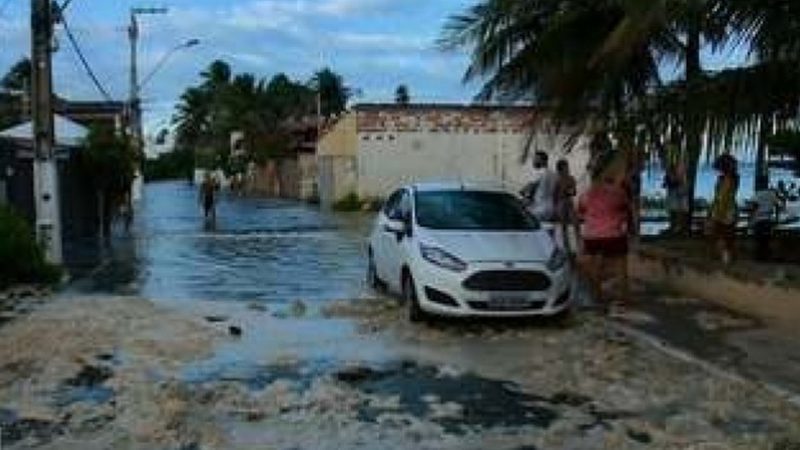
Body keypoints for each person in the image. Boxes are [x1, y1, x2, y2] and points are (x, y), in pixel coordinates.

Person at [578, 161, 631, 319]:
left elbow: (580, 212)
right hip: (614, 235)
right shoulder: (618, 192)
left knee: (595, 269)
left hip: (593, 236)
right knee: (621, 268)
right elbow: (626, 209)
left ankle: (598, 299)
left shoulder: (586, 193)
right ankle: (623, 300)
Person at [708, 154, 740, 266]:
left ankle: (725, 260)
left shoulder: (727, 179)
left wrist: (716, 215)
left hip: (725, 211)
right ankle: (727, 259)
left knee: (721, 236)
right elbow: (722, 197)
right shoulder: (733, 178)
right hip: (730, 210)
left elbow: (723, 198)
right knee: (727, 237)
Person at [749, 178, 781, 261]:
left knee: (759, 240)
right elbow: (777, 206)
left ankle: (759, 258)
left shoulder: (757, 194)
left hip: (759, 220)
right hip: (768, 219)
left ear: (759, 185)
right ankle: (765, 257)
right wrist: (777, 218)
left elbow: (753, 208)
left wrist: (751, 220)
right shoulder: (772, 194)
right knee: (766, 240)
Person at [523, 151, 559, 222]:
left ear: (542, 161)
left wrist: (524, 194)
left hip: (538, 208)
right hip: (550, 208)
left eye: (536, 159)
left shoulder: (539, 173)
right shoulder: (554, 174)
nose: (533, 161)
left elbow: (530, 188)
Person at [554, 159, 578, 254]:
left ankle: (578, 242)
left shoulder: (571, 178)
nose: (567, 169)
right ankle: (565, 245)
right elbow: (555, 194)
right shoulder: (557, 179)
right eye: (565, 167)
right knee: (563, 225)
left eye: (567, 167)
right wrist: (555, 206)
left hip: (569, 201)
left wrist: (571, 191)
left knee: (575, 222)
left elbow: (574, 192)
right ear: (560, 169)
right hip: (561, 202)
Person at [663, 163, 690, 235]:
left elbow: (678, 182)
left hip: (679, 194)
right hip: (675, 194)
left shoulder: (682, 174)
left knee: (679, 211)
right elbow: (667, 183)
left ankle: (679, 228)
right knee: (674, 211)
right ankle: (674, 227)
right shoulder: (670, 174)